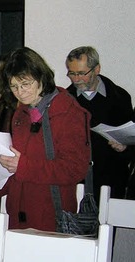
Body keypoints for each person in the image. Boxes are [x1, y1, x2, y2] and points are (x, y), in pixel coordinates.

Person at [0, 47, 91, 231]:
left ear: (41, 77)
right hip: (17, 216)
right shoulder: (21, 113)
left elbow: (75, 169)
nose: (20, 92)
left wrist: (23, 166)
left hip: (51, 218)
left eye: (25, 84)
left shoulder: (68, 111)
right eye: (14, 86)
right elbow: (15, 168)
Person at [65, 46, 133, 199]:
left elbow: (130, 136)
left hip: (112, 179)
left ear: (97, 69)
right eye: (72, 73)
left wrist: (124, 147)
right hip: (77, 180)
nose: (76, 79)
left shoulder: (120, 97)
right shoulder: (65, 101)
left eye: (82, 73)